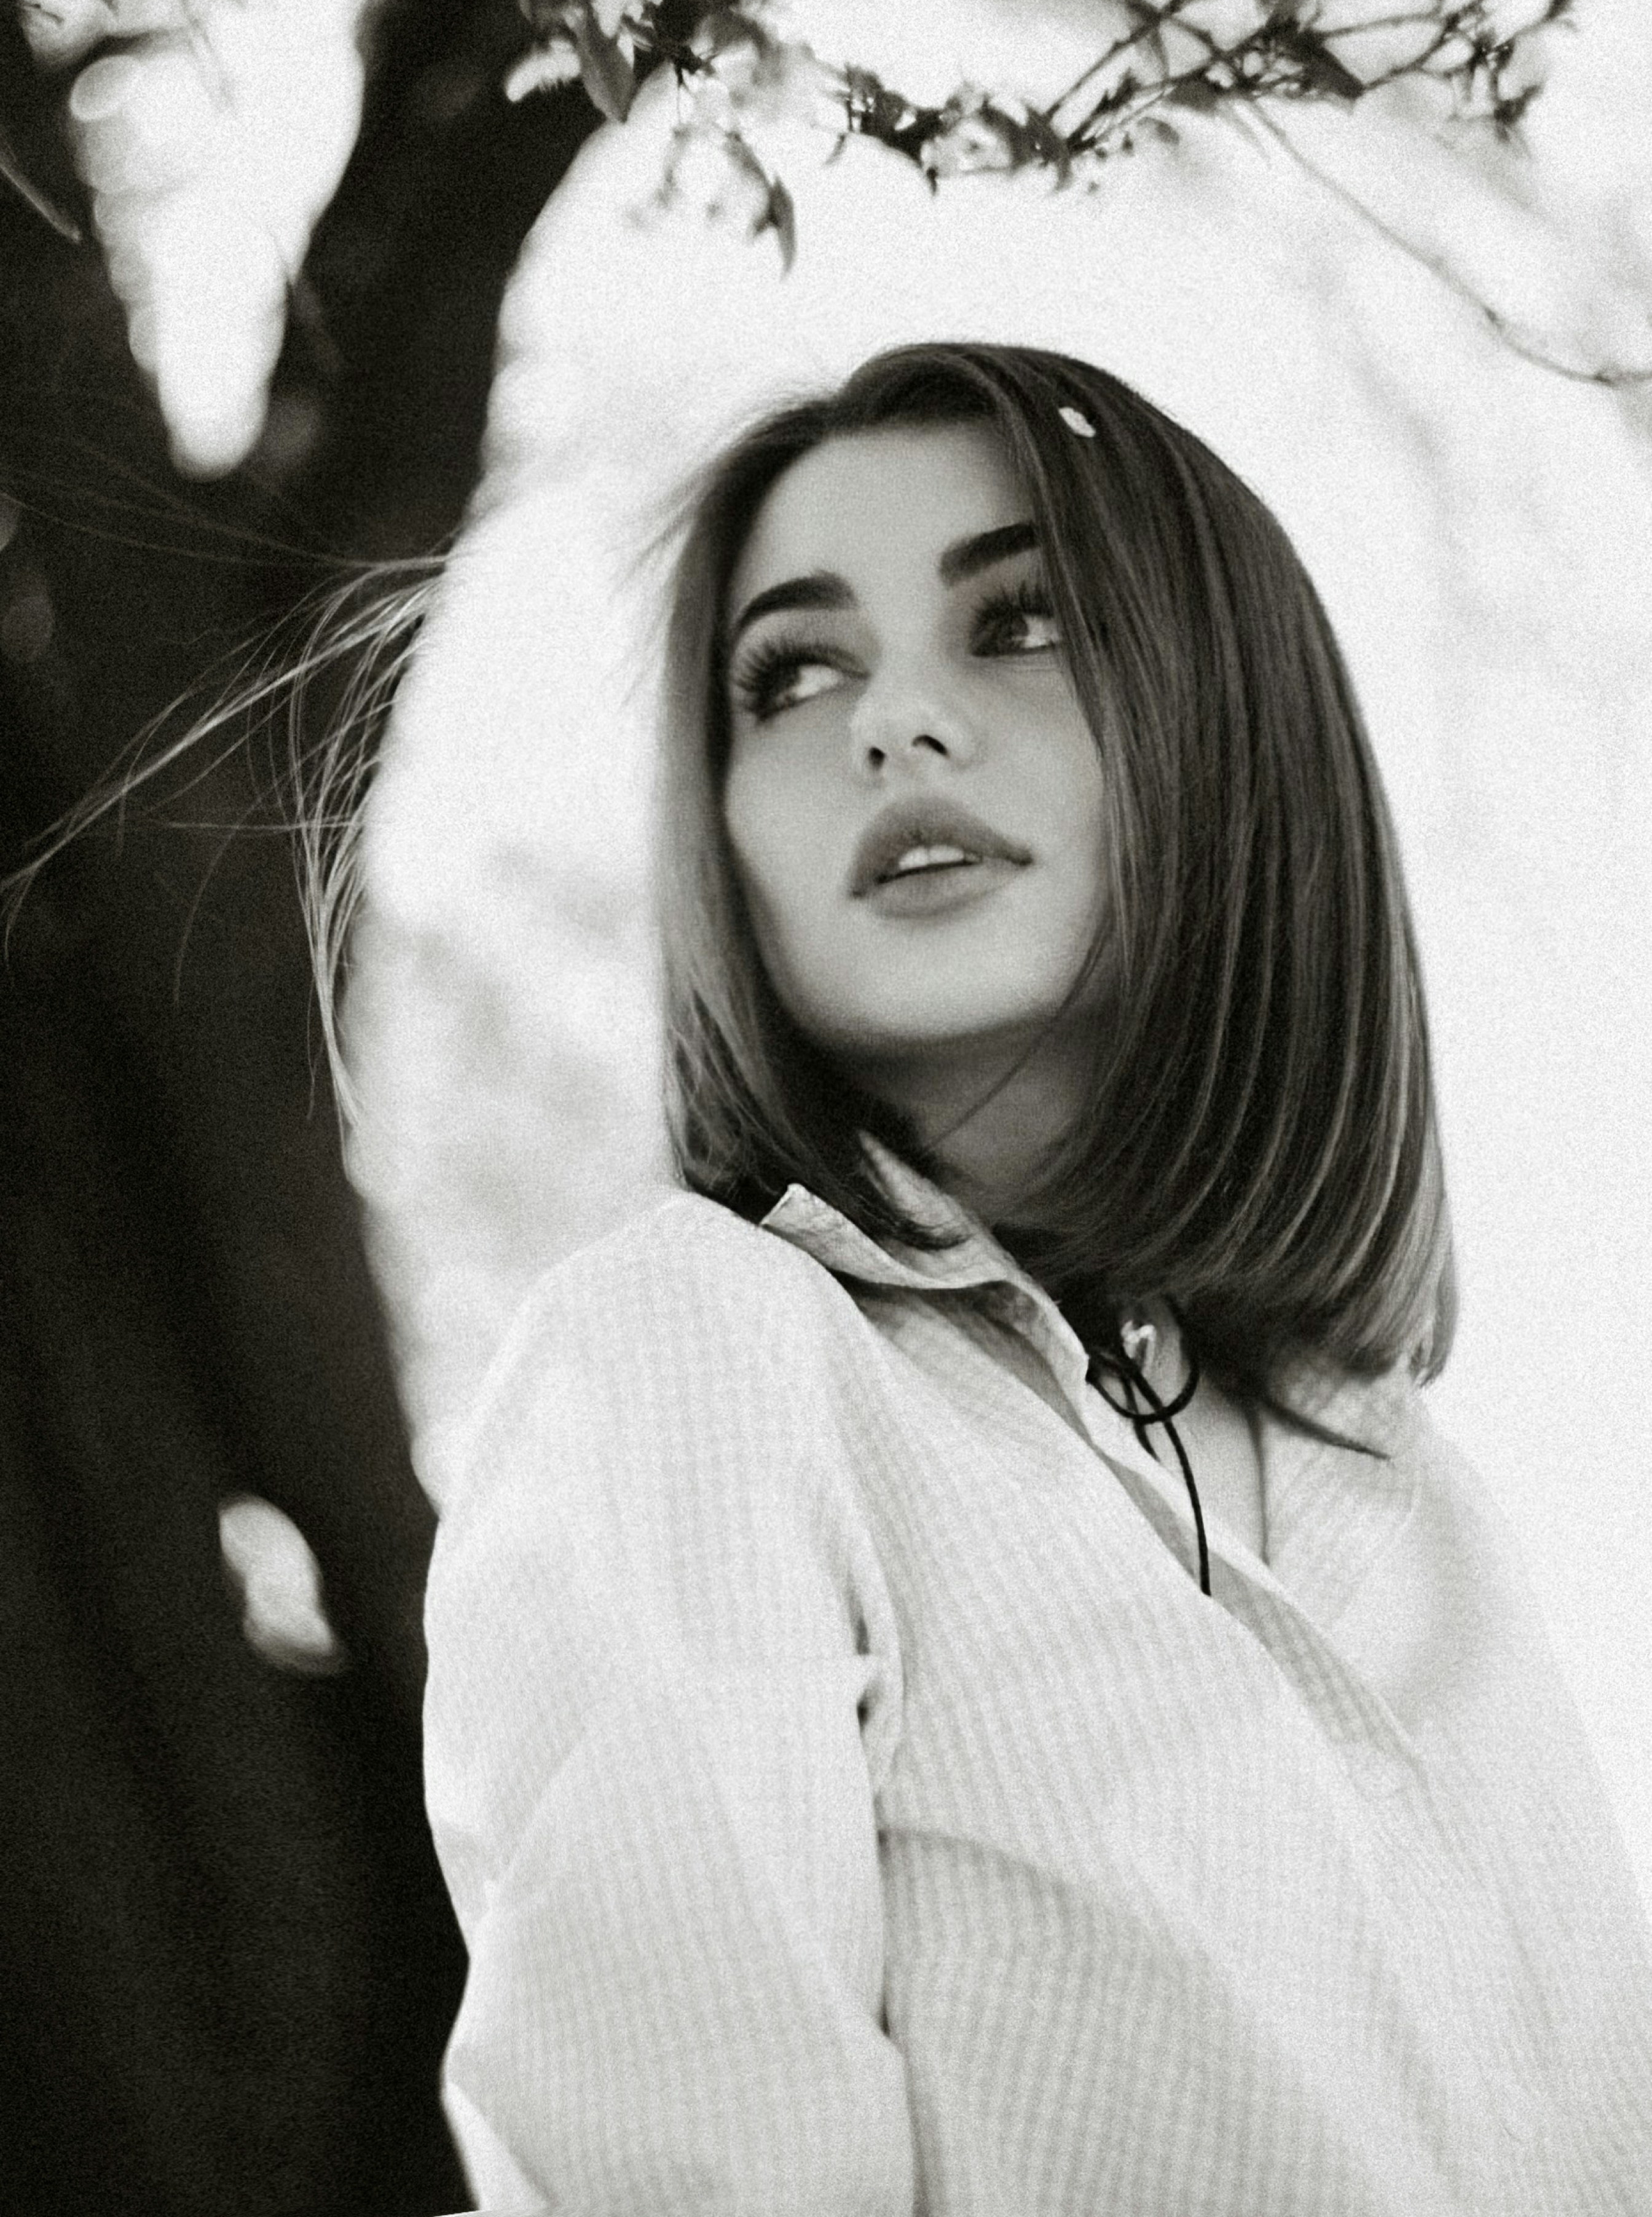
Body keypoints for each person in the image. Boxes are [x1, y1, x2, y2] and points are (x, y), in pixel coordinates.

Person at [422, 342, 1652, 2213]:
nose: (894, 726)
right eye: (795, 672)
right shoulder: (702, 1357)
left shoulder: (1406, 1491)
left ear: (1229, 718)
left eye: (1020, 624)